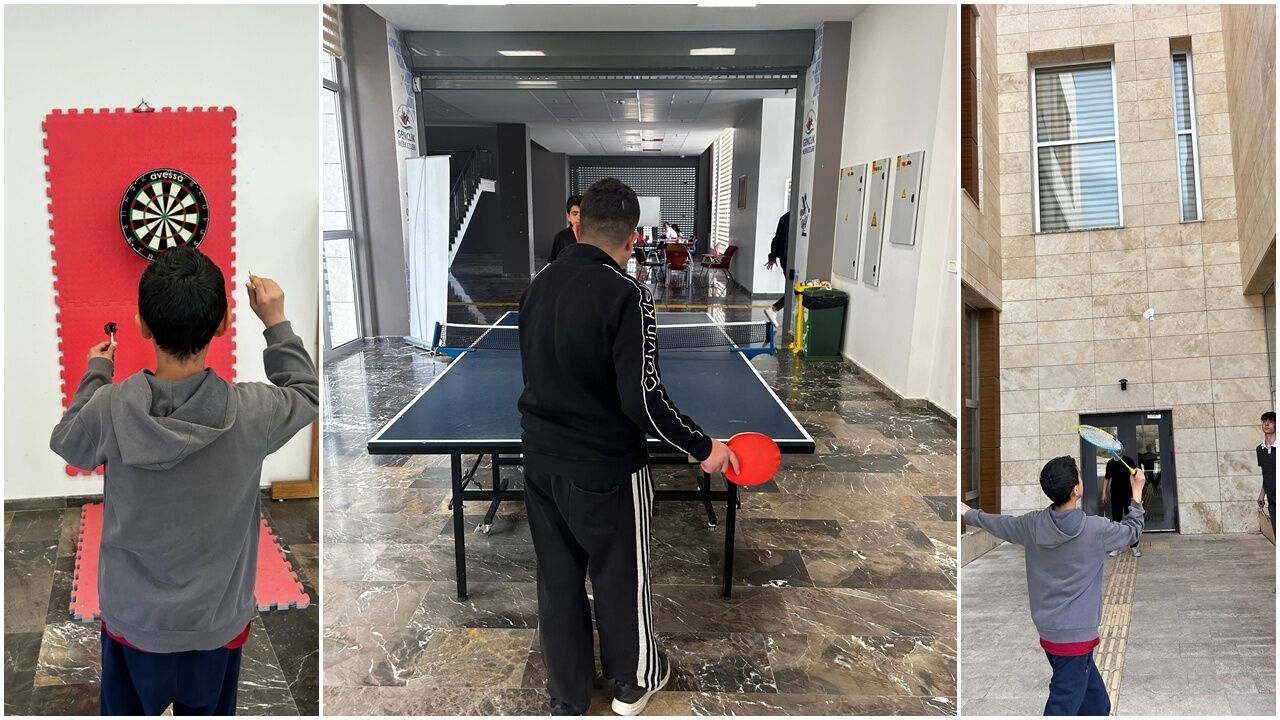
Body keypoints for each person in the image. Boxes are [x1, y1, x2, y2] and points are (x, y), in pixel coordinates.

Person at [49, 247, 319, 715]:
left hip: (133, 622)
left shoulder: (109, 408)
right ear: (224, 324)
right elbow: (307, 393)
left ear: (142, 326)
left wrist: (96, 374)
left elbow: (68, 442)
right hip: (216, 623)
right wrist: (275, 320)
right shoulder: (255, 413)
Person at [518, 178, 738, 716]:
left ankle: (568, 697)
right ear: (633, 236)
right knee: (621, 578)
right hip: (607, 469)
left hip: (540, 462)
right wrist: (702, 446)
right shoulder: (627, 293)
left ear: (579, 225)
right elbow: (643, 398)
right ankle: (633, 683)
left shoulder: (537, 286)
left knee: (557, 582)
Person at [961, 456, 1145, 716]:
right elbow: (1133, 530)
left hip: (1050, 633)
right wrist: (1137, 493)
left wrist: (970, 514)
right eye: (1079, 475)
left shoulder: (1031, 525)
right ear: (1076, 490)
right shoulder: (1096, 529)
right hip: (1076, 639)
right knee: (1063, 707)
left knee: (1097, 705)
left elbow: (1000, 524)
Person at [1101, 453, 1141, 557]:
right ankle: (1116, 547)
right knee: (1116, 520)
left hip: (1128, 494)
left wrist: (1136, 492)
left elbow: (1135, 475)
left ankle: (1134, 547)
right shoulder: (1110, 463)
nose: (1118, 451)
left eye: (1120, 449)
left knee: (1131, 519)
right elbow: (1107, 478)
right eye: (1116, 449)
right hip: (1115, 494)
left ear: (1123, 450)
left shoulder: (1128, 460)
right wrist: (1104, 492)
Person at [764, 212, 790, 322]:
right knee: (794, 289)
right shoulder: (788, 218)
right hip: (788, 258)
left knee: (794, 289)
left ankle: (774, 309)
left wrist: (773, 256)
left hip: (789, 258)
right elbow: (778, 237)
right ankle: (774, 309)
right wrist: (772, 256)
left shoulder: (786, 217)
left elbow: (777, 237)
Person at [547, 195, 583, 263]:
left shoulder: (594, 236)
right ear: (568, 216)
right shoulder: (561, 237)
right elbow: (552, 263)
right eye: (575, 214)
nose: (579, 217)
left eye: (582, 213)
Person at [1259, 411, 1275, 532]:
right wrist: (1262, 494)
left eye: (1271, 421)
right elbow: (1266, 474)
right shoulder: (1260, 449)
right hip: (1272, 500)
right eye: (1264, 421)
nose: (1267, 424)